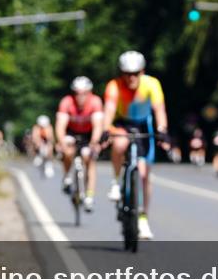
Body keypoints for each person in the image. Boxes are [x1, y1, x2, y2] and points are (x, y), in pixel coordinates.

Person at [101, 51, 169, 240]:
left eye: (135, 73)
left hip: (143, 124)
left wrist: (162, 129)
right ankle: (116, 182)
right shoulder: (114, 86)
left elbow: (159, 109)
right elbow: (109, 110)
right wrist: (106, 129)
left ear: (142, 71)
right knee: (120, 143)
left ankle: (143, 218)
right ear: (121, 73)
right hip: (123, 122)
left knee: (145, 174)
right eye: (127, 73)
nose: (131, 77)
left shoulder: (151, 84)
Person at [55, 76, 104, 211]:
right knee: (67, 151)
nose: (80, 97)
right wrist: (61, 142)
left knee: (89, 157)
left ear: (90, 92)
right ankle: (67, 177)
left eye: (84, 93)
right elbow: (60, 126)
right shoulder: (67, 102)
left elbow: (98, 126)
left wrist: (95, 142)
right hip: (71, 132)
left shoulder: (95, 102)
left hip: (89, 134)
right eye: (77, 93)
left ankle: (89, 196)